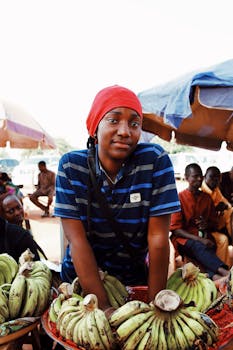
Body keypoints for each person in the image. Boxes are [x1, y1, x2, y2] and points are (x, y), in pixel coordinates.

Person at [54, 85, 180, 314]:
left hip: (133, 281)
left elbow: (158, 237)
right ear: (95, 127)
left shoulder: (154, 162)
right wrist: (102, 307)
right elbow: (77, 241)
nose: (125, 131)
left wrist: (155, 307)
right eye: (113, 120)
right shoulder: (72, 167)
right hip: (81, 285)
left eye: (134, 124)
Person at [170, 163, 230, 280]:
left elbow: (214, 223)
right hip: (185, 240)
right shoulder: (179, 198)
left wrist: (207, 225)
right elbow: (176, 229)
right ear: (187, 178)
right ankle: (225, 272)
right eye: (195, 176)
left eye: (200, 176)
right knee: (198, 246)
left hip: (204, 238)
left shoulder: (206, 198)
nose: (199, 179)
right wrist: (200, 239)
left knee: (208, 247)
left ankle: (214, 277)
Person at [202, 166, 233, 243]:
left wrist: (225, 206)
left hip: (215, 220)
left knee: (230, 211)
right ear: (205, 176)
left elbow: (226, 203)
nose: (215, 180)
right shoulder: (201, 190)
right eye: (212, 177)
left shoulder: (215, 189)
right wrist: (216, 208)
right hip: (203, 224)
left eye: (217, 178)